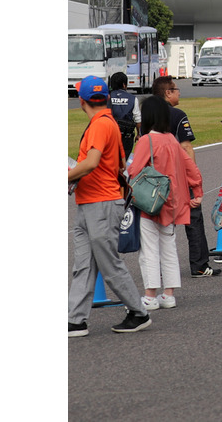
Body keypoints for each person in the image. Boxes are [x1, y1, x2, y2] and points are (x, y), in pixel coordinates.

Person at [68, 76, 151, 336]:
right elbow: (116, 165)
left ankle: (139, 312)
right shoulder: (108, 122)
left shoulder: (100, 124)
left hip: (101, 203)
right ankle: (75, 319)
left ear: (81, 101)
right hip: (91, 201)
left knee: (109, 263)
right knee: (84, 264)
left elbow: (91, 162)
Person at [127, 96, 203, 310]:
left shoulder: (146, 141)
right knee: (168, 247)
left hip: (150, 202)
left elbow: (133, 171)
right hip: (173, 201)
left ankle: (150, 295)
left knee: (149, 250)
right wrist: (197, 190)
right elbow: (191, 168)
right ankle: (168, 294)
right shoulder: (171, 139)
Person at [150, 77, 218, 278]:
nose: (179, 93)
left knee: (158, 222)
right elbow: (186, 146)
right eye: (176, 89)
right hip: (178, 176)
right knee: (193, 218)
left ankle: (159, 268)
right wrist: (193, 175)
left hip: (155, 178)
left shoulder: (148, 116)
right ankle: (199, 265)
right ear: (168, 93)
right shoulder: (177, 114)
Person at [109, 72, 141, 157]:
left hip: (108, 135)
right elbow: (137, 119)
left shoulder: (107, 97)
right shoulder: (133, 98)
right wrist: (139, 134)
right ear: (124, 85)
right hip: (126, 137)